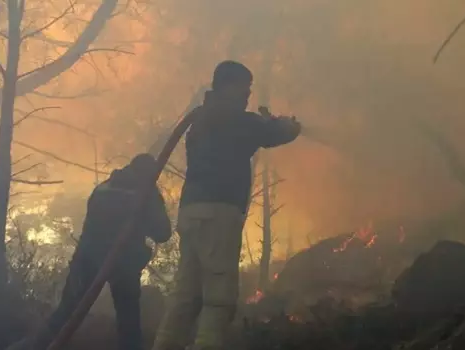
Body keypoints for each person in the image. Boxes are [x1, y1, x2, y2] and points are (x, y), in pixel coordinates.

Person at [152, 60, 301, 350]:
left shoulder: (202, 119)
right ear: (226, 85)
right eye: (244, 87)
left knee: (186, 296)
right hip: (218, 216)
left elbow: (254, 131)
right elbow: (276, 134)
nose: (247, 94)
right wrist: (287, 125)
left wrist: (265, 124)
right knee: (219, 301)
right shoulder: (235, 119)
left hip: (192, 213)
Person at [27, 154, 172, 350]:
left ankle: (37, 345)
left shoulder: (103, 187)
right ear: (150, 174)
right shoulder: (147, 193)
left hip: (87, 258)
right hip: (123, 263)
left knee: (66, 311)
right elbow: (163, 233)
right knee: (128, 320)